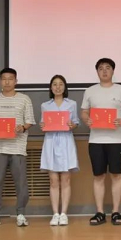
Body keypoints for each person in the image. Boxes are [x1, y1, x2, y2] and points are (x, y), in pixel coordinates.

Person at [80, 58, 121, 226]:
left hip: (116, 140)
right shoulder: (90, 91)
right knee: (98, 176)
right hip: (96, 140)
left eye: (108, 68)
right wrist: (87, 119)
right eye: (101, 68)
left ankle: (116, 212)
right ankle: (100, 212)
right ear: (97, 72)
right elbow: (84, 112)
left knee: (116, 175)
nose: (104, 71)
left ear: (113, 71)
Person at [0, 68, 35, 228]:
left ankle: (21, 213)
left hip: (18, 148)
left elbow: (29, 121)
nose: (7, 82)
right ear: (0, 81)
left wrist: (22, 127)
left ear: (16, 81)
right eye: (4, 79)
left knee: (21, 183)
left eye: (10, 79)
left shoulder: (24, 99)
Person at [40, 75, 80, 226]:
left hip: (66, 141)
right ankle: (55, 213)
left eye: (61, 84)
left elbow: (76, 122)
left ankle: (64, 213)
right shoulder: (45, 105)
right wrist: (43, 126)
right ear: (51, 87)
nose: (58, 87)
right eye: (55, 84)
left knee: (66, 179)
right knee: (53, 180)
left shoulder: (72, 104)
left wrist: (72, 125)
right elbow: (43, 123)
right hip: (51, 141)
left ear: (65, 87)